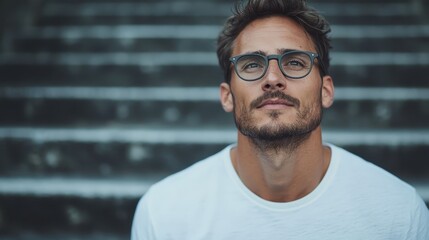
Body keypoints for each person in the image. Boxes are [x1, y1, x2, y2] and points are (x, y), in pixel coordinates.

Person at [131, 0, 429, 239]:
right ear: (227, 96)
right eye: (251, 65)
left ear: (326, 90)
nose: (273, 79)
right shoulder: (164, 214)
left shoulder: (399, 213)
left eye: (295, 62)